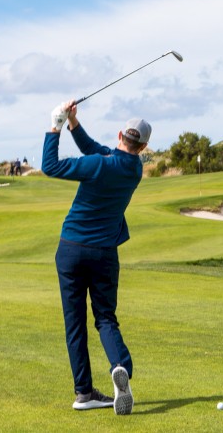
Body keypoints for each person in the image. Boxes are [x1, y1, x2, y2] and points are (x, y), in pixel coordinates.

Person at [40, 99, 149, 416]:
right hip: (104, 254)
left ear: (119, 136)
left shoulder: (100, 164)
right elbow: (92, 148)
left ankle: (83, 393)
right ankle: (121, 368)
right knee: (105, 318)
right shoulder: (134, 169)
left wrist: (55, 125)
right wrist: (73, 122)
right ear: (142, 146)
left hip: (71, 249)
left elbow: (50, 166)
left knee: (74, 323)